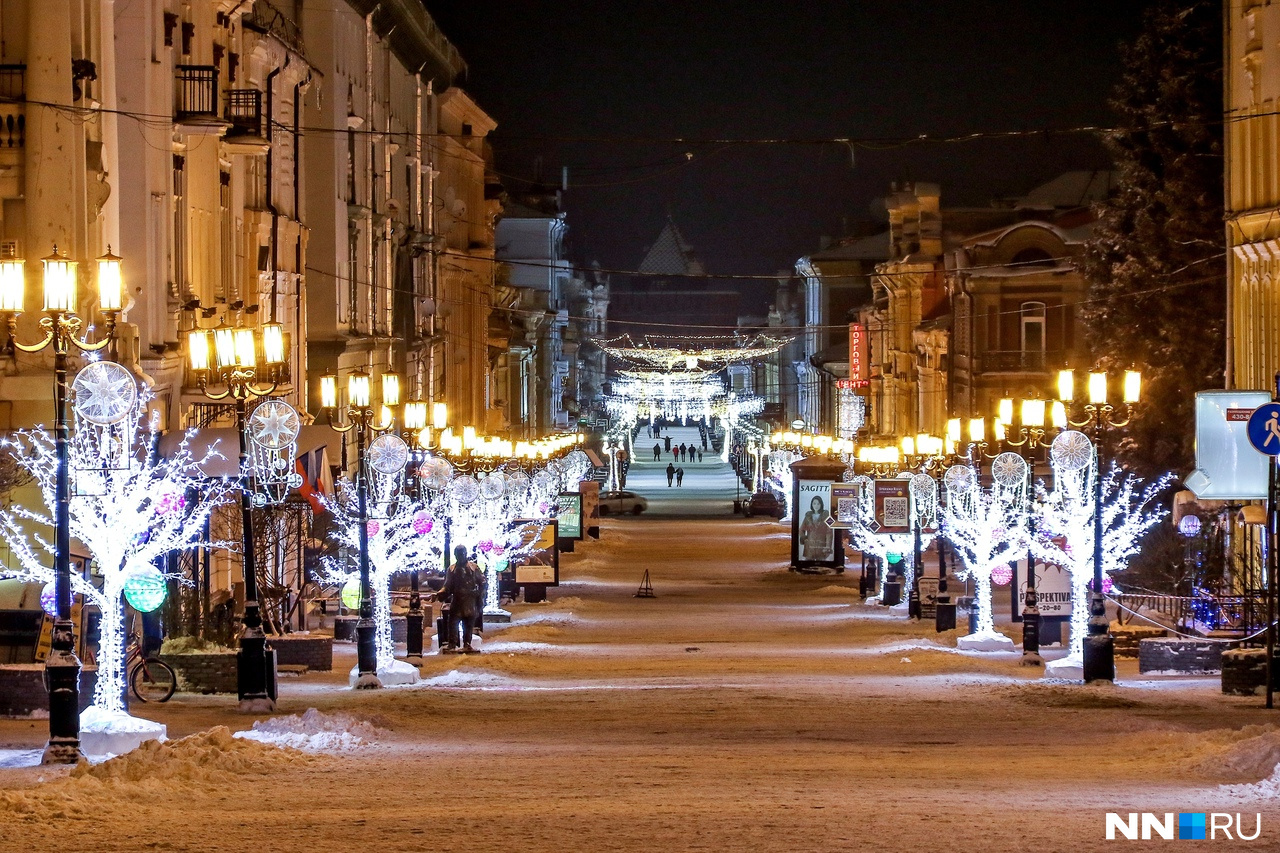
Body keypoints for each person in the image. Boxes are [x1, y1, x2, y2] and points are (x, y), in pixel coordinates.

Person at [438, 545, 483, 652]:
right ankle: (452, 644)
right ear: (455, 555)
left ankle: (467, 644)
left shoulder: (474, 568)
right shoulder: (451, 569)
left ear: (466, 553)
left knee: (468, 623)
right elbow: (447, 585)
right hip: (457, 600)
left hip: (470, 600)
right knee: (453, 623)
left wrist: (479, 595)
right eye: (458, 554)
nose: (461, 556)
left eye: (462, 554)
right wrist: (440, 593)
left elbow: (482, 582)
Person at [800, 496, 833, 561]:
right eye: (814, 503)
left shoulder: (827, 515)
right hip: (810, 546)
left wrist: (828, 546)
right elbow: (801, 529)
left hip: (821, 545)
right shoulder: (808, 516)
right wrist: (804, 538)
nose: (816, 506)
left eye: (818, 504)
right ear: (812, 504)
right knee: (808, 565)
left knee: (822, 564)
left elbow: (829, 532)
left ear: (821, 504)